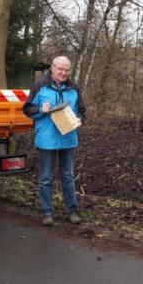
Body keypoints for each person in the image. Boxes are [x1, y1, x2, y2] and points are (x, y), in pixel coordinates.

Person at [23, 56, 86, 226]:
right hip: (47, 139)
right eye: (60, 69)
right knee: (46, 178)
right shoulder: (40, 85)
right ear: (53, 68)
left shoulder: (74, 87)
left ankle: (72, 210)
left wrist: (80, 119)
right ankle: (47, 212)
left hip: (69, 139)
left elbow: (81, 110)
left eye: (67, 70)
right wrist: (40, 109)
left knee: (68, 176)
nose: (63, 73)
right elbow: (27, 109)